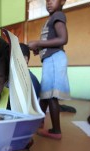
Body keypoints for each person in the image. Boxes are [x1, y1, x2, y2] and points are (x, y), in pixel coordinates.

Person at [28, 0, 70, 139]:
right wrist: (40, 48)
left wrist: (38, 42)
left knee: (51, 96)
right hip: (50, 58)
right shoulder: (52, 18)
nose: (49, 2)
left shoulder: (58, 15)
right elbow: (52, 40)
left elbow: (63, 39)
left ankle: (56, 131)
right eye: (47, 0)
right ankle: (38, 122)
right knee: (44, 94)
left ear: (62, 1)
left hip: (54, 59)